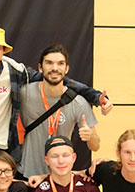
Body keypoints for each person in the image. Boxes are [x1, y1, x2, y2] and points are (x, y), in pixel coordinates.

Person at [0, 26, 111, 168]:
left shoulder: (14, 70)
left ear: (4, 50)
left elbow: (57, 79)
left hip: (0, 150)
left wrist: (96, 97)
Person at [19, 43, 100, 177]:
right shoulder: (24, 93)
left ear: (66, 69)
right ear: (40, 67)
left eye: (60, 63)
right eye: (49, 63)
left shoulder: (78, 102)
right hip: (28, 175)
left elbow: (95, 146)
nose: (55, 68)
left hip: (60, 178)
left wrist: (90, 137)